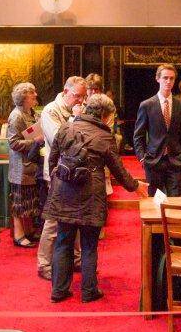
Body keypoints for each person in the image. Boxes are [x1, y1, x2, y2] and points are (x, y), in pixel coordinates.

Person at [45, 93, 148, 303]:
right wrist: (136, 186)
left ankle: (58, 291)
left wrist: (58, 182)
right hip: (90, 195)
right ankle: (89, 291)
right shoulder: (104, 136)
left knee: (63, 241)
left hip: (64, 191)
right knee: (89, 244)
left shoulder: (66, 127)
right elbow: (119, 171)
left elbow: (52, 160)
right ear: (104, 115)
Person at [37, 76, 86, 280]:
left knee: (75, 216)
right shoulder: (50, 110)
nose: (81, 101)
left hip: (75, 172)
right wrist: (76, 120)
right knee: (54, 220)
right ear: (65, 92)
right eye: (77, 96)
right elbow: (63, 140)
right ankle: (44, 264)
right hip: (58, 172)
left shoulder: (75, 108)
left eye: (83, 97)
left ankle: (75, 259)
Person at [133, 64, 181, 196]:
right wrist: (142, 158)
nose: (168, 81)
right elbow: (138, 136)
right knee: (154, 201)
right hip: (153, 161)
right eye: (165, 78)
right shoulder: (146, 105)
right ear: (157, 79)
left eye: (172, 78)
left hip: (175, 161)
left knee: (176, 202)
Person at [7, 82, 43, 248]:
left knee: (30, 201)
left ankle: (28, 231)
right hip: (21, 166)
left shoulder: (32, 112)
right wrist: (33, 141)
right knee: (19, 202)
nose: (35, 95)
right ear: (23, 97)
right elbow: (13, 143)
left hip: (31, 164)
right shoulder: (16, 116)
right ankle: (18, 234)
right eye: (32, 93)